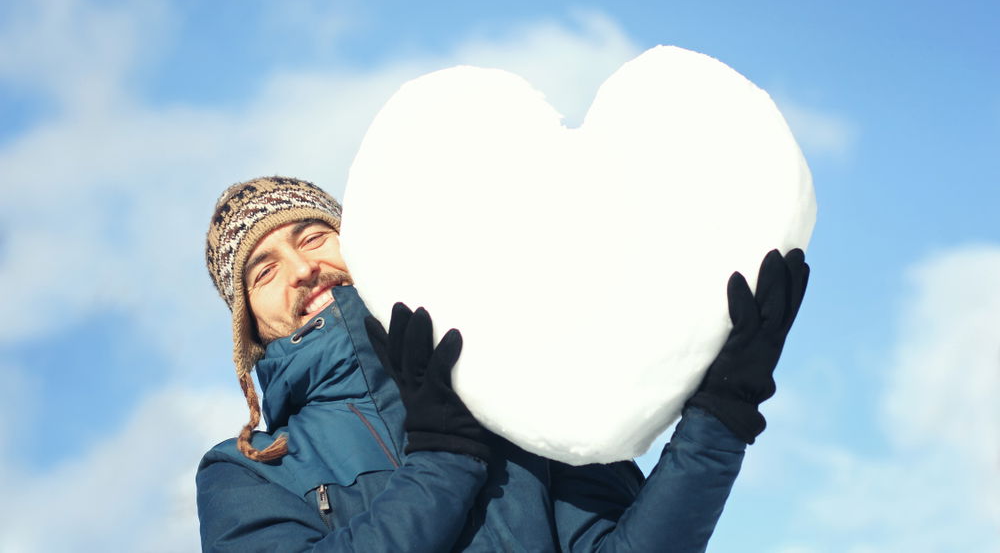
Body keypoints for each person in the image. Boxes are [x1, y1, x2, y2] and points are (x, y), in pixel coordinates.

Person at [196, 176, 809, 552]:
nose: (303, 269)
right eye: (265, 270)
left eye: (311, 236)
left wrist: (722, 412)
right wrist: (441, 461)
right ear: (246, 325)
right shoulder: (246, 474)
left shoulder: (503, 386)